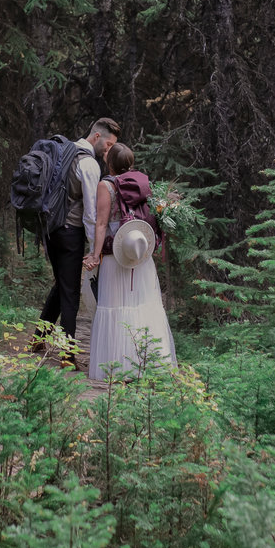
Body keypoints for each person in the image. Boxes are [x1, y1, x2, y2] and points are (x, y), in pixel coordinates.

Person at [83, 143, 176, 381]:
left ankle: (118, 367)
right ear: (130, 163)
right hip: (140, 256)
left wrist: (94, 255)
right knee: (143, 305)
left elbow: (101, 223)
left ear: (110, 164)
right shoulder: (143, 183)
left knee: (115, 307)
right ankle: (149, 364)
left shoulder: (106, 185)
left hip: (115, 257)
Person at [35, 117, 121, 360]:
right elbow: (91, 214)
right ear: (97, 137)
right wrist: (96, 250)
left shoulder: (63, 151)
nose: (108, 150)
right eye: (108, 144)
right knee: (71, 294)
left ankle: (38, 338)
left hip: (50, 228)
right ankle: (67, 355)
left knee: (63, 284)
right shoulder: (89, 164)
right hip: (70, 232)